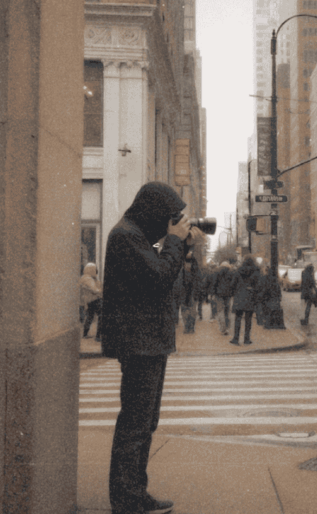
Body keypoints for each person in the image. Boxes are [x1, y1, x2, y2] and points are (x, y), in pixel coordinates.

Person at [98, 181, 194, 514]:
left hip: (148, 342)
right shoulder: (125, 236)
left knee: (144, 423)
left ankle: (135, 492)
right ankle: (127, 498)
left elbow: (164, 275)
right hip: (140, 343)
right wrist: (174, 243)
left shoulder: (134, 236)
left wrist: (180, 246)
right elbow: (157, 279)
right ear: (152, 210)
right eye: (169, 216)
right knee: (136, 424)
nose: (171, 223)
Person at [230, 257, 260, 345]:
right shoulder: (255, 273)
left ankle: (236, 338)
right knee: (248, 320)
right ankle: (246, 339)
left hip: (239, 297)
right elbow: (258, 287)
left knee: (238, 319)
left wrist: (235, 292)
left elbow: (232, 285)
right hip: (250, 298)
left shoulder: (238, 272)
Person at [80, 262, 103, 340]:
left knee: (90, 316)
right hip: (95, 300)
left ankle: (85, 334)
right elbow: (95, 290)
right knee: (101, 316)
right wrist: (100, 291)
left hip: (89, 301)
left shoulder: (85, 278)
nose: (96, 271)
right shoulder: (88, 279)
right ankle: (98, 336)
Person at [213, 261, 236, 335]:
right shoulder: (231, 272)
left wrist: (213, 293)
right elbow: (233, 284)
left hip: (218, 294)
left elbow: (214, 283)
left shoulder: (217, 271)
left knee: (220, 310)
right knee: (227, 311)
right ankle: (227, 328)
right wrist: (232, 293)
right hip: (228, 294)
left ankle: (222, 328)